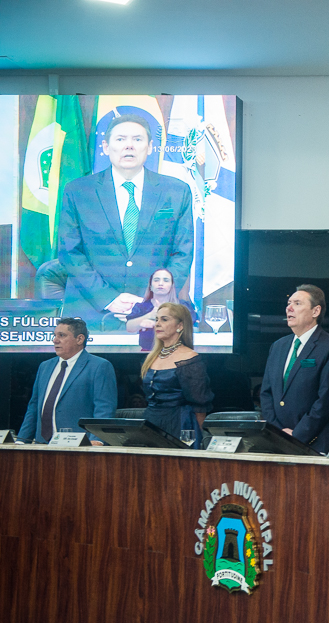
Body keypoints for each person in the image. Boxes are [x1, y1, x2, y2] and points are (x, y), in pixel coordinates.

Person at [58, 113, 194, 331]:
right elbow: (69, 252)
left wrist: (151, 301)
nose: (129, 146)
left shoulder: (176, 192)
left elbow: (182, 253)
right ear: (105, 146)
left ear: (150, 147)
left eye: (137, 140)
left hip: (155, 316)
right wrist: (109, 299)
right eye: (120, 139)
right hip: (89, 316)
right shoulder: (78, 191)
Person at [259, 284, 329, 454]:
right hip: (278, 441)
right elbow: (266, 393)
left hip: (316, 443)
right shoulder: (278, 346)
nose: (289, 308)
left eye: (297, 303)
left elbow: (327, 400)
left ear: (316, 311)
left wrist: (298, 435)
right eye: (288, 303)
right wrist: (277, 432)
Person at [17, 317, 117, 443]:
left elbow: (104, 408)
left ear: (80, 339)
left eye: (62, 335)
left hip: (79, 445)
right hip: (42, 446)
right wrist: (22, 440)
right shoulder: (45, 367)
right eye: (54, 335)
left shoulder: (99, 366)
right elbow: (34, 407)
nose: (55, 340)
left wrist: (97, 440)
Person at [141, 303, 214, 448]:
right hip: (150, 423)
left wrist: (203, 439)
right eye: (156, 320)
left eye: (164, 319)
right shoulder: (152, 357)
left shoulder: (190, 358)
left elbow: (199, 404)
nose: (157, 324)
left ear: (180, 325)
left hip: (181, 425)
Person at [126, 268, 199, 351]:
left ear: (172, 285)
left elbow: (194, 328)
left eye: (166, 280)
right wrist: (149, 316)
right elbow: (129, 327)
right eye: (156, 280)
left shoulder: (183, 306)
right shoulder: (141, 307)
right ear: (150, 285)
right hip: (148, 354)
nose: (160, 284)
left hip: (178, 352)